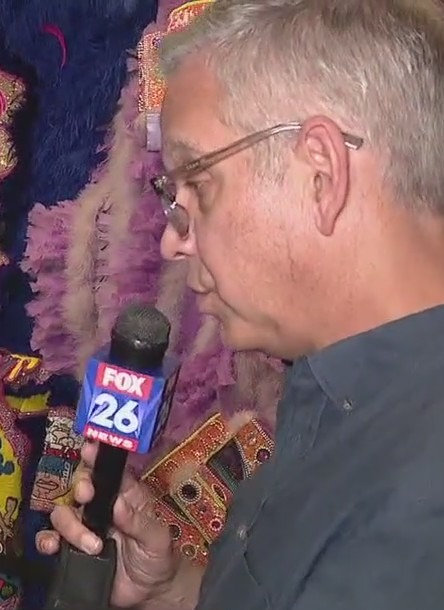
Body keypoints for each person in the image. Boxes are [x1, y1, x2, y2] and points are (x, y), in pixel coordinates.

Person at [37, 0, 444, 608]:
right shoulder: (334, 394)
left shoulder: (423, 497)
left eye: (196, 184)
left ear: (321, 174)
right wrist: (171, 590)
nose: (174, 241)